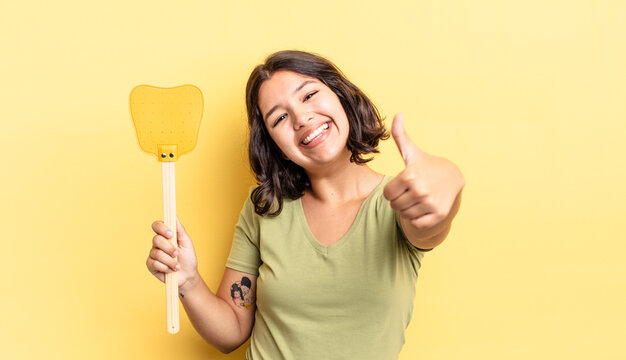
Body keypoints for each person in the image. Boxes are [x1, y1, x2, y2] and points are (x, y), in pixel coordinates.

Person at [146, 50, 465, 359]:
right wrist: (187, 279)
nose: (301, 118)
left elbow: (432, 220)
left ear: (341, 96)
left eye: (309, 95)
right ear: (277, 146)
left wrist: (445, 180)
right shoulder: (264, 208)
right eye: (280, 117)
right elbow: (232, 332)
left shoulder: (398, 202)